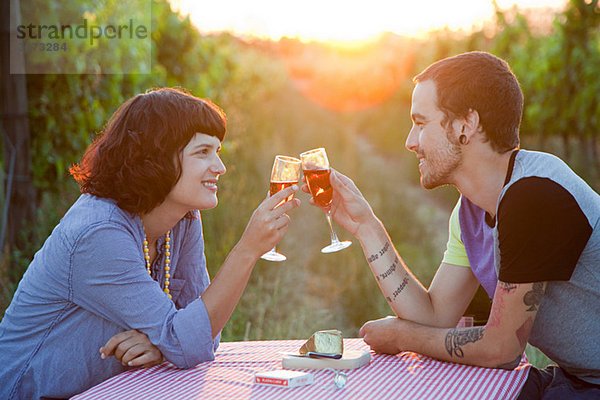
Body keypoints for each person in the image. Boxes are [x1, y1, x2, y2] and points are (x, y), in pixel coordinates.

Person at [303, 52, 600, 398]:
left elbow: (501, 349)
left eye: (421, 122)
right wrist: (366, 226)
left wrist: (402, 336)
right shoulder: (470, 212)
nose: (410, 141)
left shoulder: (534, 193)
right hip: (581, 380)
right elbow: (434, 315)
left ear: (465, 125)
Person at [0, 87, 300, 399]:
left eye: (218, 152)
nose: (219, 167)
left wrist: (161, 346)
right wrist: (247, 250)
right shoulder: (99, 233)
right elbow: (189, 339)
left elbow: (204, 335)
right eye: (202, 152)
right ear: (157, 156)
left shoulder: (183, 219)